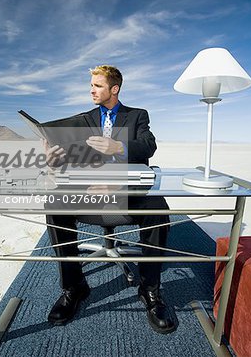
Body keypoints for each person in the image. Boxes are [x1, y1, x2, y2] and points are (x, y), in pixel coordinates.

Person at [44, 65, 175, 334]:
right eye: (91, 85)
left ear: (114, 89)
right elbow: (69, 156)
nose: (92, 90)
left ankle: (150, 290)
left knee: (158, 207)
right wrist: (53, 160)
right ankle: (74, 286)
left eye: (98, 85)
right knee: (54, 202)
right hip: (89, 187)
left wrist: (120, 146)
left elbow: (148, 145)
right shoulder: (83, 118)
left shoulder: (137, 115)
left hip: (127, 189)